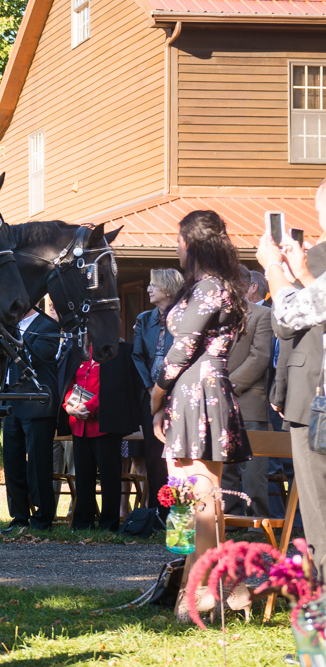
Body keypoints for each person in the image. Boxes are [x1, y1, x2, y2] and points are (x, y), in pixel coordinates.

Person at [151, 210, 251, 615]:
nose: (176, 248)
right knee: (185, 496)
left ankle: (208, 587)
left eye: (178, 241)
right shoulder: (206, 286)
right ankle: (222, 584)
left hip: (199, 390)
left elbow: (183, 348)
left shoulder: (211, 287)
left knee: (201, 498)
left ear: (192, 243)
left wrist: (155, 396)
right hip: (191, 392)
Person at [257, 176, 326, 563]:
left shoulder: (318, 256)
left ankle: (322, 603)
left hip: (315, 397)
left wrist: (273, 268)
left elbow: (286, 320)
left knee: (317, 505)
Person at [63, 341, 142, 531]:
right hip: (79, 424)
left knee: (109, 478)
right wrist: (69, 407)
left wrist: (87, 407)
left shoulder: (112, 351)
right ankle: (83, 523)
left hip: (104, 424)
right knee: (83, 477)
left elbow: (111, 388)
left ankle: (109, 524)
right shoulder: (79, 352)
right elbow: (70, 382)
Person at [0, 308, 62, 533]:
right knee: (12, 462)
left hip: (36, 402)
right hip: (10, 401)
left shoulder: (48, 326)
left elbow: (40, 356)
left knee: (38, 464)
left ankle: (43, 517)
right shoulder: (9, 327)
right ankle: (18, 516)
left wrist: (12, 339)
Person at [221, 265, 273, 520]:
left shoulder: (262, 314)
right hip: (216, 402)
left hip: (249, 400)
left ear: (243, 285)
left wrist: (227, 384)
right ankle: (229, 522)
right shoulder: (213, 314)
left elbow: (260, 356)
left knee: (253, 470)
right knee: (224, 468)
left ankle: (258, 523)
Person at [131, 268, 184, 514]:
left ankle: (180, 509)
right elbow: (137, 356)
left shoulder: (186, 317)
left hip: (180, 395)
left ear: (168, 288)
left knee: (179, 453)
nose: (149, 289)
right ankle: (156, 510)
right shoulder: (143, 319)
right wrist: (152, 389)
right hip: (151, 395)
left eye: (153, 285)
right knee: (153, 453)